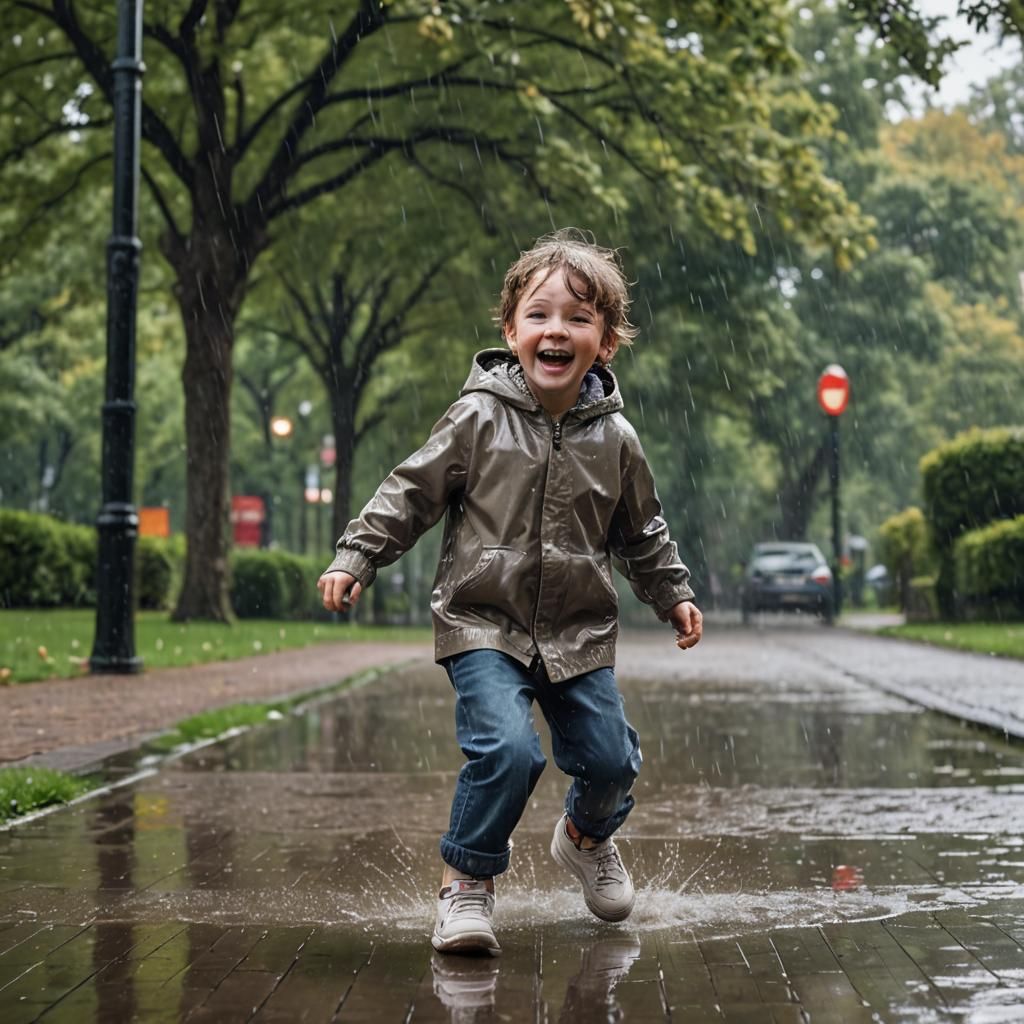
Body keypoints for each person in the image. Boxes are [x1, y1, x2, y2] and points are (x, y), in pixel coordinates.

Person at [318, 228, 703, 956]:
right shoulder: (477, 417)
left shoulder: (617, 439)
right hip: (482, 623)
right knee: (509, 753)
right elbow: (410, 492)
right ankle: (466, 886)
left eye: (578, 318)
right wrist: (355, 556)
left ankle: (586, 840)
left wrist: (672, 592)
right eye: (540, 315)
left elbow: (641, 529)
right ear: (511, 330)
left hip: (578, 632)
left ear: (607, 342)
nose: (556, 330)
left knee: (612, 760)